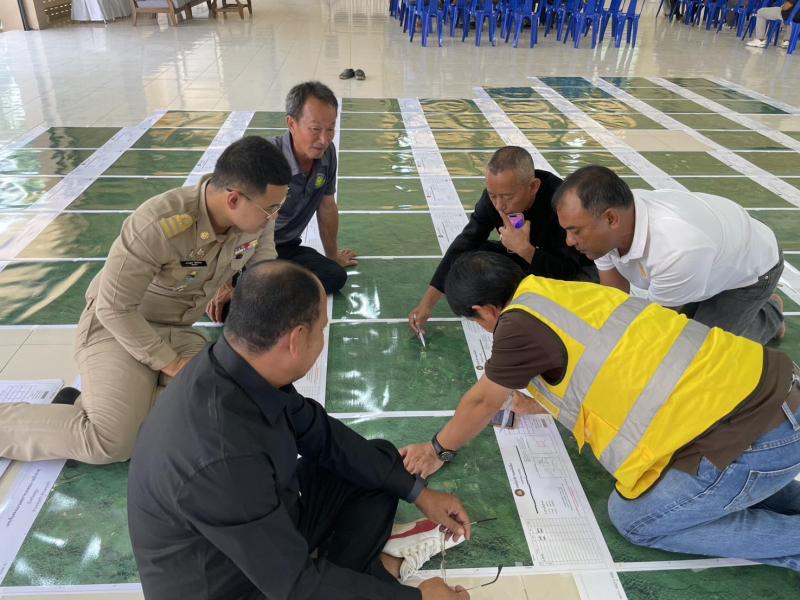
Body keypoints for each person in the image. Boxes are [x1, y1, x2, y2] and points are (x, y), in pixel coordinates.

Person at [402, 251, 800, 571]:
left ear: (484, 311)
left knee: (635, 520)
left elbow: (481, 401)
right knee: (728, 491)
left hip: (754, 435)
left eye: (477, 322)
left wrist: (437, 449)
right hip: (775, 391)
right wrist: (541, 402)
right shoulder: (564, 293)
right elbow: (613, 366)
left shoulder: (517, 325)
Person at [128, 260, 472, 600]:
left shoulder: (234, 364)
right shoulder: (222, 457)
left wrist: (419, 493)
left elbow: (320, 434)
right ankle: (372, 575)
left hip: (265, 521)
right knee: (317, 579)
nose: (323, 339)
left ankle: (362, 576)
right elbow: (293, 586)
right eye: (322, 329)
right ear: (296, 339)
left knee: (381, 464)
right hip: (235, 584)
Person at [0, 137, 290, 464]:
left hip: (177, 330)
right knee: (110, 442)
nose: (274, 217)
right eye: (271, 208)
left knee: (221, 413)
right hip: (118, 329)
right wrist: (173, 364)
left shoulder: (256, 221)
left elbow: (263, 273)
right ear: (234, 199)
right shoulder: (158, 223)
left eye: (280, 205)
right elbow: (113, 308)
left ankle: (106, 406)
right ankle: (101, 416)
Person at [554, 165, 785, 344]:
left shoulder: (677, 247)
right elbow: (615, 297)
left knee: (699, 354)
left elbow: (656, 327)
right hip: (707, 261)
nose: (569, 241)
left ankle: (769, 314)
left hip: (751, 271)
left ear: (610, 219)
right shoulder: (607, 224)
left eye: (575, 231)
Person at [408, 146, 595, 337]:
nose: (499, 205)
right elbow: (465, 243)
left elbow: (570, 270)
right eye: (492, 195)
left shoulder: (561, 203)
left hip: (566, 267)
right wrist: (426, 303)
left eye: (507, 197)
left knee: (580, 288)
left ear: (533, 186)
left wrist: (526, 250)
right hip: (526, 258)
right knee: (472, 256)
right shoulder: (495, 200)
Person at [271, 81, 357, 294]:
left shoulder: (327, 154)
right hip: (250, 250)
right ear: (291, 124)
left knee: (334, 275)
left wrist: (332, 256)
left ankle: (267, 285)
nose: (324, 139)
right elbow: (233, 222)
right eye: (315, 129)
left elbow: (327, 206)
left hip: (287, 248)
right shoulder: (267, 157)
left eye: (330, 129)